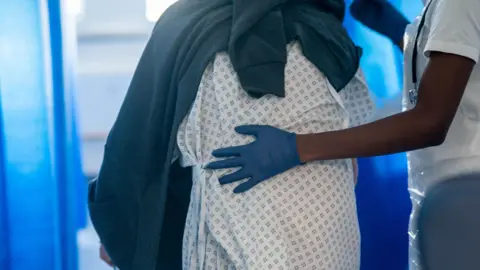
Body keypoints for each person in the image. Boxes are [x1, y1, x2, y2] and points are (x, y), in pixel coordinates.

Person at [91, 0, 368, 269]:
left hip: (262, 239)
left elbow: (138, 145)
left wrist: (120, 226)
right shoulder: (329, 41)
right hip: (319, 240)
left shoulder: (190, 30)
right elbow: (353, 151)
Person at [207, 0, 480, 269]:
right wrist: (399, 32)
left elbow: (430, 121)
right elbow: (453, 79)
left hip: (465, 200)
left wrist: (297, 147)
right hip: (443, 201)